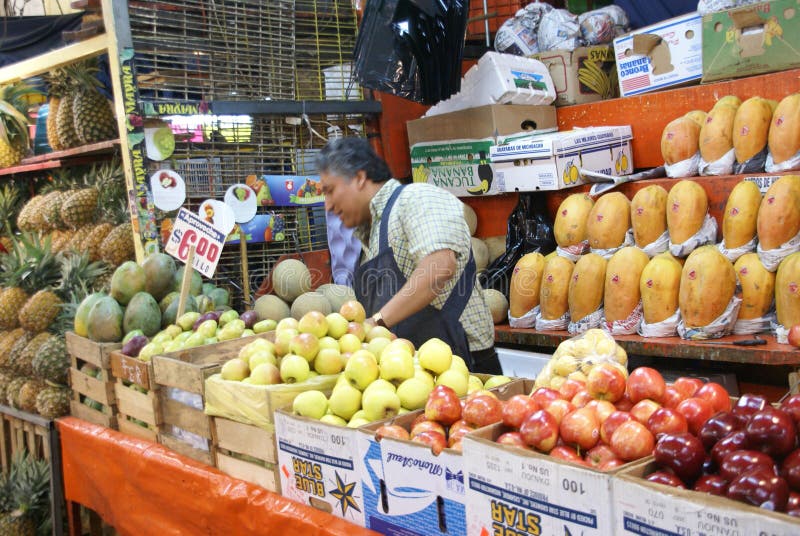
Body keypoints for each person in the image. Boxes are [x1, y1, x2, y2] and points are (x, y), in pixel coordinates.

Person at [317, 137, 501, 374]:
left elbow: (439, 267)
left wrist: (375, 323)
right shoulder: (369, 232)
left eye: (330, 191)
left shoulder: (416, 198)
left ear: (359, 178)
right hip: (410, 371)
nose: (328, 205)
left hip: (461, 369)